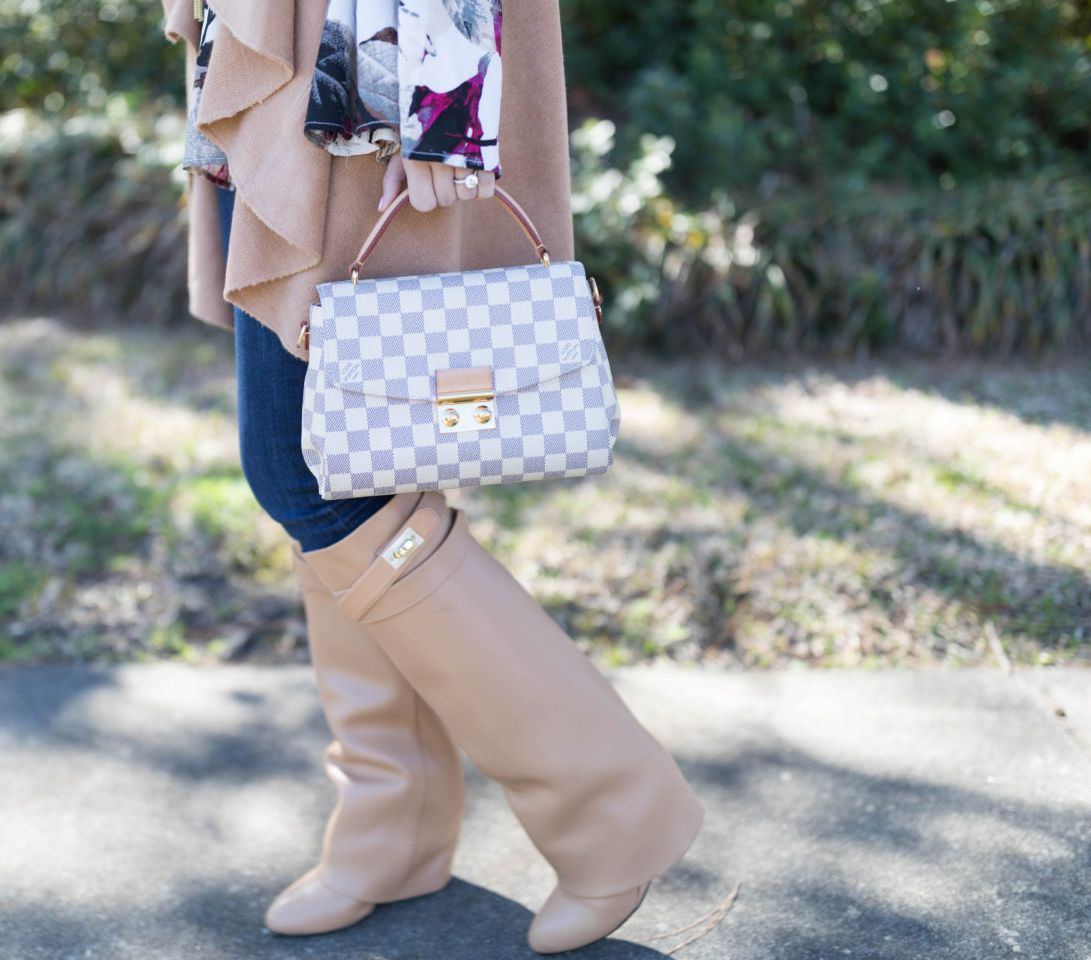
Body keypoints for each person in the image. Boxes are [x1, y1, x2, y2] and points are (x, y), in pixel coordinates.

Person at [162, 1, 703, 953]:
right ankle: (393, 828)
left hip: (366, 65)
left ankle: (613, 809)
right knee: (361, 454)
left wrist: (443, 99)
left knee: (305, 473)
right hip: (285, 61)